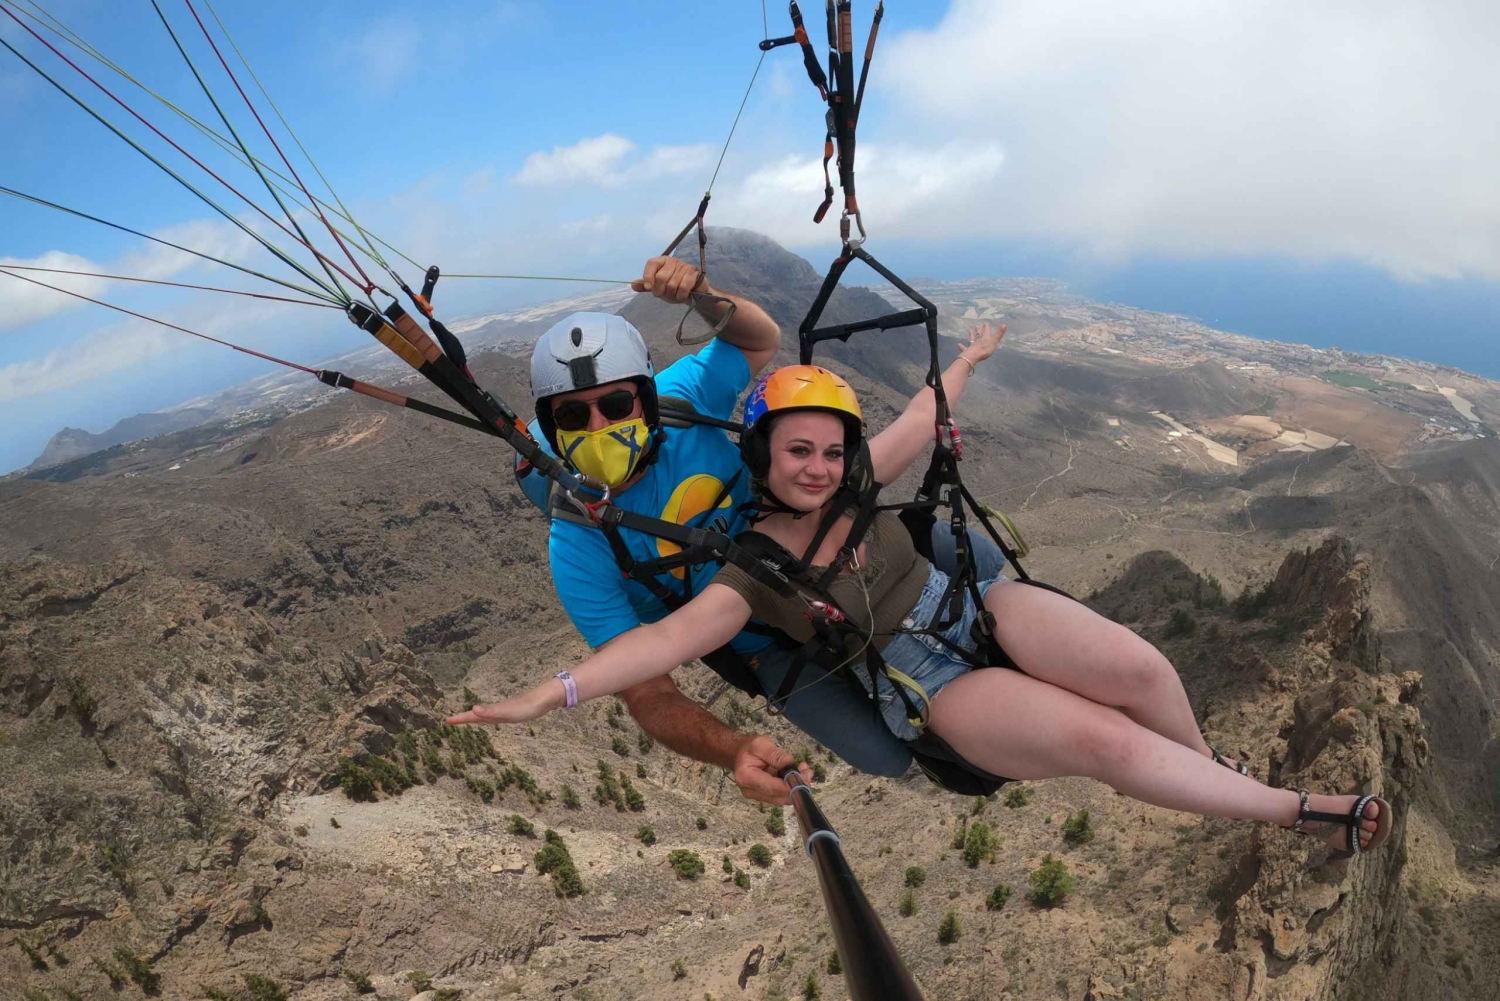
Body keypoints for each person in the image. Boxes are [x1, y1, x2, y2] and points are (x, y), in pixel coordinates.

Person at [455, 325, 1394, 856]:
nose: (819, 467)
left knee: (1141, 668)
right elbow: (659, 648)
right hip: (927, 679)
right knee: (1102, 740)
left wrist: (971, 360)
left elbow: (917, 414)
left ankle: (1215, 767)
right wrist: (553, 692)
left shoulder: (857, 481)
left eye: (831, 452)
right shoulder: (748, 573)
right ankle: (1294, 809)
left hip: (973, 606)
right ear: (761, 458)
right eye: (798, 452)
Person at [509, 253, 925, 805]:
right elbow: (646, 689)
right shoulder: (577, 548)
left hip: (823, 542)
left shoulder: (680, 398)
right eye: (571, 417)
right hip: (766, 644)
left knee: (968, 564)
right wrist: (734, 749)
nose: (598, 426)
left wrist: (702, 295)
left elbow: (759, 341)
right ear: (553, 430)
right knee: (886, 757)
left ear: (645, 401)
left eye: (616, 404)